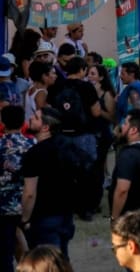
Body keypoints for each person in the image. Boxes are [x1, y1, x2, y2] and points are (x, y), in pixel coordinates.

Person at [20, 108, 76, 259]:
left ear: (45, 127)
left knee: (47, 263)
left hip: (44, 217)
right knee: (62, 260)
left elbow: (29, 193)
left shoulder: (34, 154)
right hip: (65, 214)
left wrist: (24, 219)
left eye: (36, 117)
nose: (30, 118)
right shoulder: (66, 148)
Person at [0, 106, 32, 272]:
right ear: (23, 122)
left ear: (3, 122)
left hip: (3, 206)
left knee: (5, 253)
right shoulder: (32, 144)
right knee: (31, 248)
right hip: (28, 204)